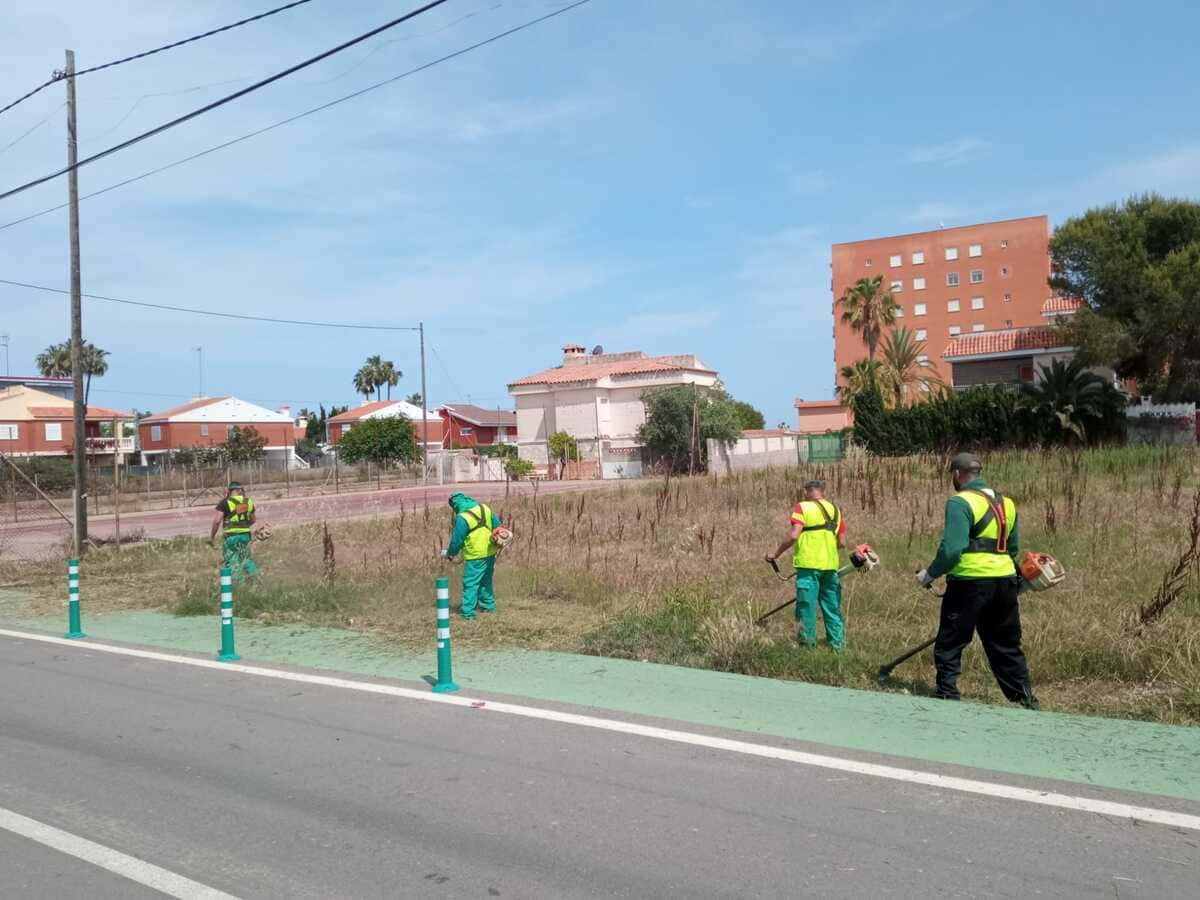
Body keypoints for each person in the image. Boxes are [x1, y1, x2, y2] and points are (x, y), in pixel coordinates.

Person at [917, 452, 1038, 708]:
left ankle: (947, 695)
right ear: (979, 473)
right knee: (1005, 644)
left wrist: (930, 573)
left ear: (957, 475)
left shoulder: (960, 502)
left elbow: (952, 548)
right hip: (1005, 580)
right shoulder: (1008, 503)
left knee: (951, 641)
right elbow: (1012, 546)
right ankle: (1025, 699)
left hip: (969, 582)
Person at [766, 479, 846, 649]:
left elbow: (794, 535)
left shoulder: (802, 507)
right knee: (832, 607)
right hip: (831, 567)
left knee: (806, 607)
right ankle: (837, 645)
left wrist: (775, 554)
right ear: (822, 491)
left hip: (809, 566)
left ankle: (808, 646)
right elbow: (842, 542)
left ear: (806, 491)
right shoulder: (836, 511)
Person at [442, 492, 503, 619]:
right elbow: (497, 525)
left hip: (475, 555)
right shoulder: (483, 508)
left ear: (455, 506)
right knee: (486, 581)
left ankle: (468, 613)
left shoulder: (462, 517)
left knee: (471, 583)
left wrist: (450, 553)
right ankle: (489, 607)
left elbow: (457, 540)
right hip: (490, 551)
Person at [210, 481, 259, 582]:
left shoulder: (225, 502)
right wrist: (243, 527)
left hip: (231, 537)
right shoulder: (248, 501)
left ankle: (240, 586)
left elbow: (217, 521)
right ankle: (256, 582)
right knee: (246, 559)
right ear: (240, 490)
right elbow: (253, 520)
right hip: (245, 536)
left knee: (232, 562)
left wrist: (212, 537)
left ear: (229, 491)